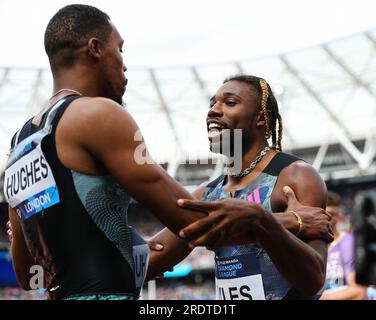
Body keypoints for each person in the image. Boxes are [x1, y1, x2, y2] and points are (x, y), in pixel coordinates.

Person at [4, 5, 332, 300]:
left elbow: (28, 275)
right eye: (120, 50)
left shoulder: (19, 143)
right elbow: (191, 225)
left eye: (229, 103)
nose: (124, 65)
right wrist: (291, 220)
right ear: (95, 49)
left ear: (261, 117)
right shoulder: (98, 114)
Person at [149, 75, 330, 300]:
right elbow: (152, 257)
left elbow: (314, 280)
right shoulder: (207, 195)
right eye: (212, 103)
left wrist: (262, 221)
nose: (213, 111)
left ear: (261, 118)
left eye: (230, 102)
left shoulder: (295, 176)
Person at [320, 191, 367, 300]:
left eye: (334, 214)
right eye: (327, 214)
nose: (331, 220)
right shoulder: (309, 245)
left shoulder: (347, 242)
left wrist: (321, 298)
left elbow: (357, 290)